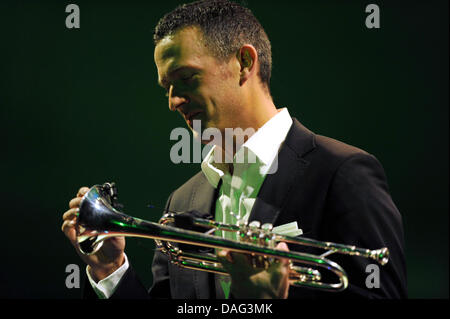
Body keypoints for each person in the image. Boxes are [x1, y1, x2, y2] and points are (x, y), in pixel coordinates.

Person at [61, 0, 407, 299]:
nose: (173, 101)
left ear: (244, 62)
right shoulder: (182, 201)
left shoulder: (343, 172)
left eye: (187, 78)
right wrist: (110, 269)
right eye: (167, 87)